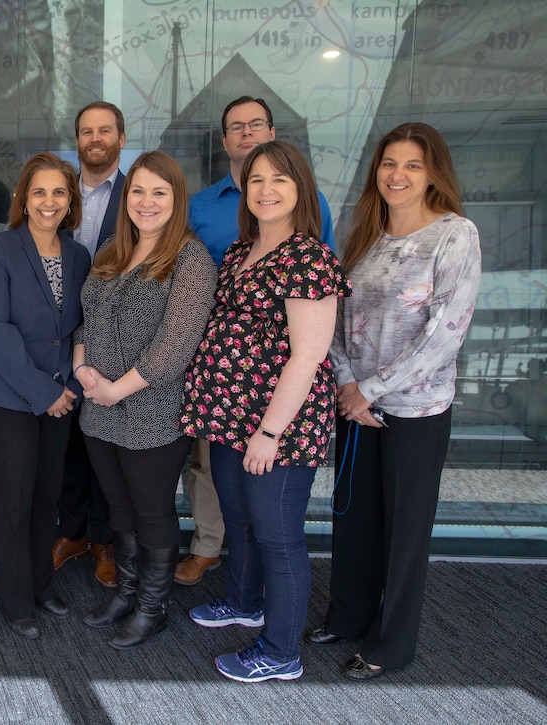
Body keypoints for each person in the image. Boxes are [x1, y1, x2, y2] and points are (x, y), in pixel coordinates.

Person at [308, 123, 481, 681]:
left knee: (403, 534)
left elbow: (446, 331)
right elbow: (335, 316)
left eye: (412, 165)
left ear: (433, 173)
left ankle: (390, 644)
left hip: (415, 411)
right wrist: (347, 383)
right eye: (389, 164)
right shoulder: (368, 234)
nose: (398, 175)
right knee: (353, 521)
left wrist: (373, 388)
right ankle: (349, 616)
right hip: (356, 406)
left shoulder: (455, 235)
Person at [180, 140, 349, 682]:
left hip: (280, 425)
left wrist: (270, 432)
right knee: (238, 520)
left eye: (279, 179)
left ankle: (281, 652)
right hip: (230, 417)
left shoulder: (309, 257)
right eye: (256, 180)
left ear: (301, 189)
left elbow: (309, 354)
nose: (266, 190)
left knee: (278, 536)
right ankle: (244, 600)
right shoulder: (239, 250)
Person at [73, 151, 217, 649]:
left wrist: (116, 388)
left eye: (160, 192)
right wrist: (80, 365)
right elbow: (86, 316)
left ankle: (152, 608)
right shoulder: (113, 249)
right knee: (119, 507)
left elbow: (178, 343)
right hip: (99, 411)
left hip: (152, 414)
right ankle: (127, 594)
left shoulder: (190, 259)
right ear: (125, 196)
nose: (147, 201)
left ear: (176, 200)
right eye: (138, 191)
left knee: (152, 511)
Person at [0, 152, 89, 640]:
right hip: (8, 396)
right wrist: (45, 392)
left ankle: (42, 584)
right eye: (38, 191)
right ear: (24, 198)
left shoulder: (79, 256)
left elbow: (80, 327)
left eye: (59, 192)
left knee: (46, 498)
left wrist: (71, 387)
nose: (48, 201)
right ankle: (16, 598)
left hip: (61, 396)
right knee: (14, 501)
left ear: (70, 200)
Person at [52, 101, 129, 588]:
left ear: (121, 138)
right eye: (86, 131)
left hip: (116, 343)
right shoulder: (56, 194)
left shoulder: (137, 195)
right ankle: (72, 532)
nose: (95, 138)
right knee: (66, 446)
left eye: (105, 130)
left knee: (105, 446)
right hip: (59, 340)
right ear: (77, 140)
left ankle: (104, 540)